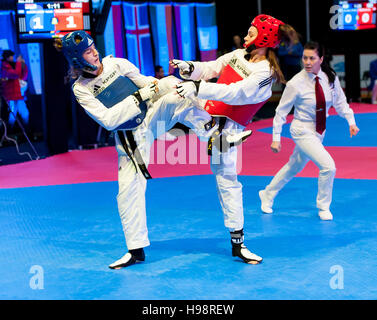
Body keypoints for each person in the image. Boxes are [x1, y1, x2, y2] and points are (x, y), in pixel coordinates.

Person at [57, 30, 245, 269]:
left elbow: (146, 83)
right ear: (77, 58)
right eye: (87, 51)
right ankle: (135, 250)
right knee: (128, 191)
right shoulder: (81, 88)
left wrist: (160, 86)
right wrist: (139, 96)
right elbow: (108, 119)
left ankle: (214, 136)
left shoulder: (117, 63)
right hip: (130, 137)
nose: (94, 52)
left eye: (93, 46)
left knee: (174, 86)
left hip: (153, 116)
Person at [170, 14, 299, 264]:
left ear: (264, 39)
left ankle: (238, 243)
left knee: (227, 182)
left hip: (228, 125)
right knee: (170, 88)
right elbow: (212, 68)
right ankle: (143, 117)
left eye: (252, 33)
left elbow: (235, 93)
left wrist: (197, 87)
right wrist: (190, 68)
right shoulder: (238, 54)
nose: (247, 36)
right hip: (207, 112)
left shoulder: (265, 73)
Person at [259, 41, 360, 221]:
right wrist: (276, 138)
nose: (307, 62)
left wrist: (351, 121)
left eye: (312, 58)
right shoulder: (295, 83)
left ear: (320, 59)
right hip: (301, 130)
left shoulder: (330, 77)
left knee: (294, 166)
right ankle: (323, 207)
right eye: (304, 58)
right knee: (328, 167)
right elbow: (280, 112)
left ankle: (267, 193)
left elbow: (340, 102)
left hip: (319, 131)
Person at [1, 50, 29, 128]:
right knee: (12, 116)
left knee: (25, 113)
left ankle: (28, 130)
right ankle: (9, 133)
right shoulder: (4, 67)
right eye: (11, 56)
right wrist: (19, 63)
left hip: (18, 95)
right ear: (7, 57)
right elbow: (15, 75)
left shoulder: (14, 65)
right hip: (10, 97)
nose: (13, 58)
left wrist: (23, 64)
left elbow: (24, 77)